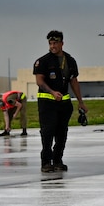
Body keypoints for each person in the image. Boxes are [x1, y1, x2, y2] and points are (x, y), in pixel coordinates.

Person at [33, 31, 85, 173]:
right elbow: (39, 81)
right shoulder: (42, 61)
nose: (53, 46)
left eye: (55, 43)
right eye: (50, 43)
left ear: (62, 43)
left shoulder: (70, 60)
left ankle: (57, 160)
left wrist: (81, 102)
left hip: (64, 104)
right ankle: (46, 162)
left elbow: (74, 81)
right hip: (47, 103)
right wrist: (51, 92)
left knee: (62, 133)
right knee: (48, 132)